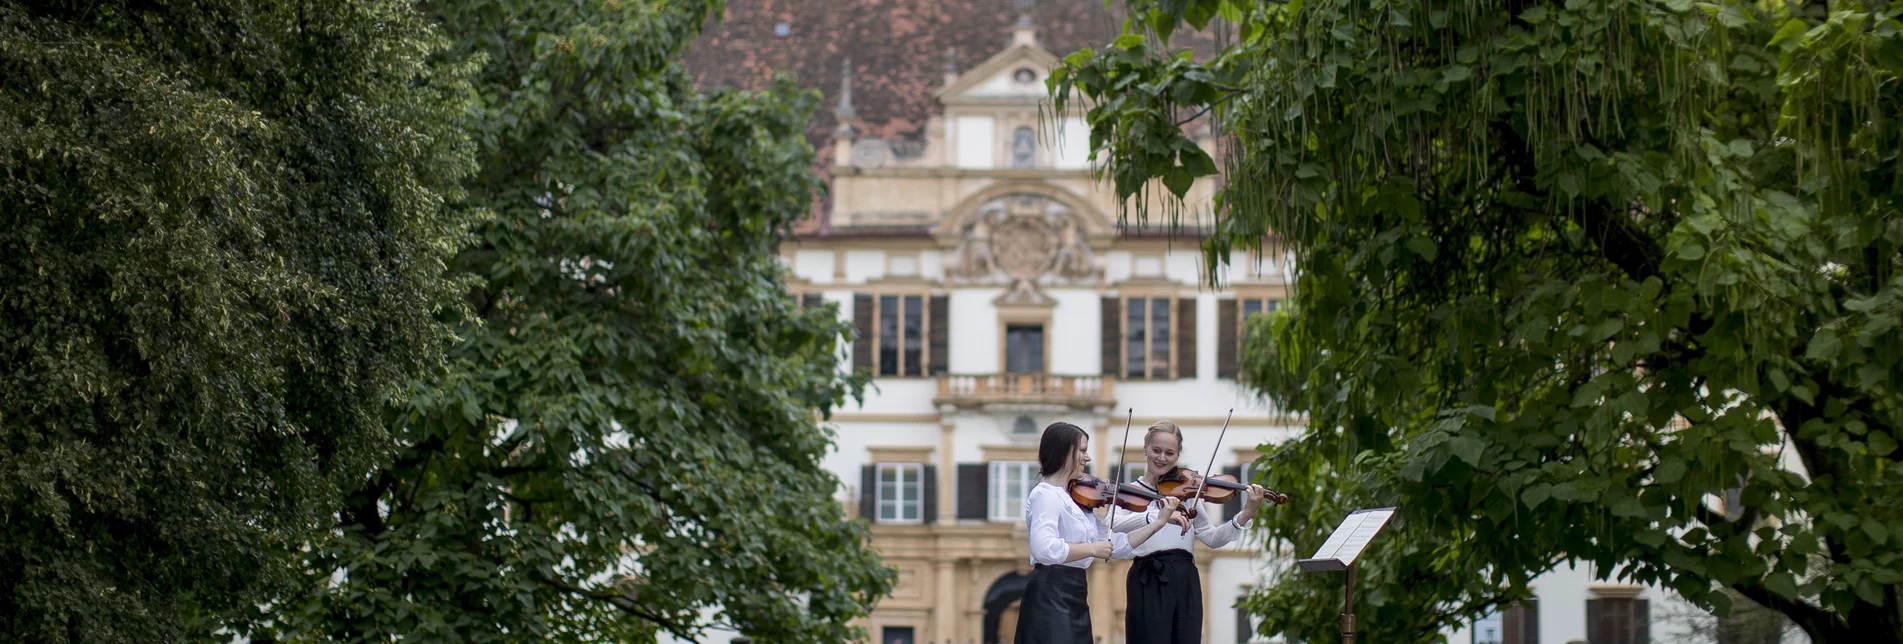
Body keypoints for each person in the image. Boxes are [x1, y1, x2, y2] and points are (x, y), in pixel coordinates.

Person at [1017, 421, 1182, 644]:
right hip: (1050, 591)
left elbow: (1115, 545)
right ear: (1065, 452)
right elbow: (1044, 548)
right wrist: (1093, 549)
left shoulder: (1076, 501)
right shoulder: (1045, 495)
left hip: (1075, 590)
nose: (1088, 458)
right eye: (1083, 450)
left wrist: (1157, 523)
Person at [1111, 421, 1272, 644]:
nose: (1162, 458)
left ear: (1177, 456)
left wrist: (1245, 514)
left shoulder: (1186, 495)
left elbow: (1212, 538)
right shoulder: (1128, 492)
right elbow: (1114, 524)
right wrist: (1157, 517)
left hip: (1186, 577)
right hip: (1149, 577)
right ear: (1145, 449)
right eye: (1156, 450)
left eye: (1170, 453)